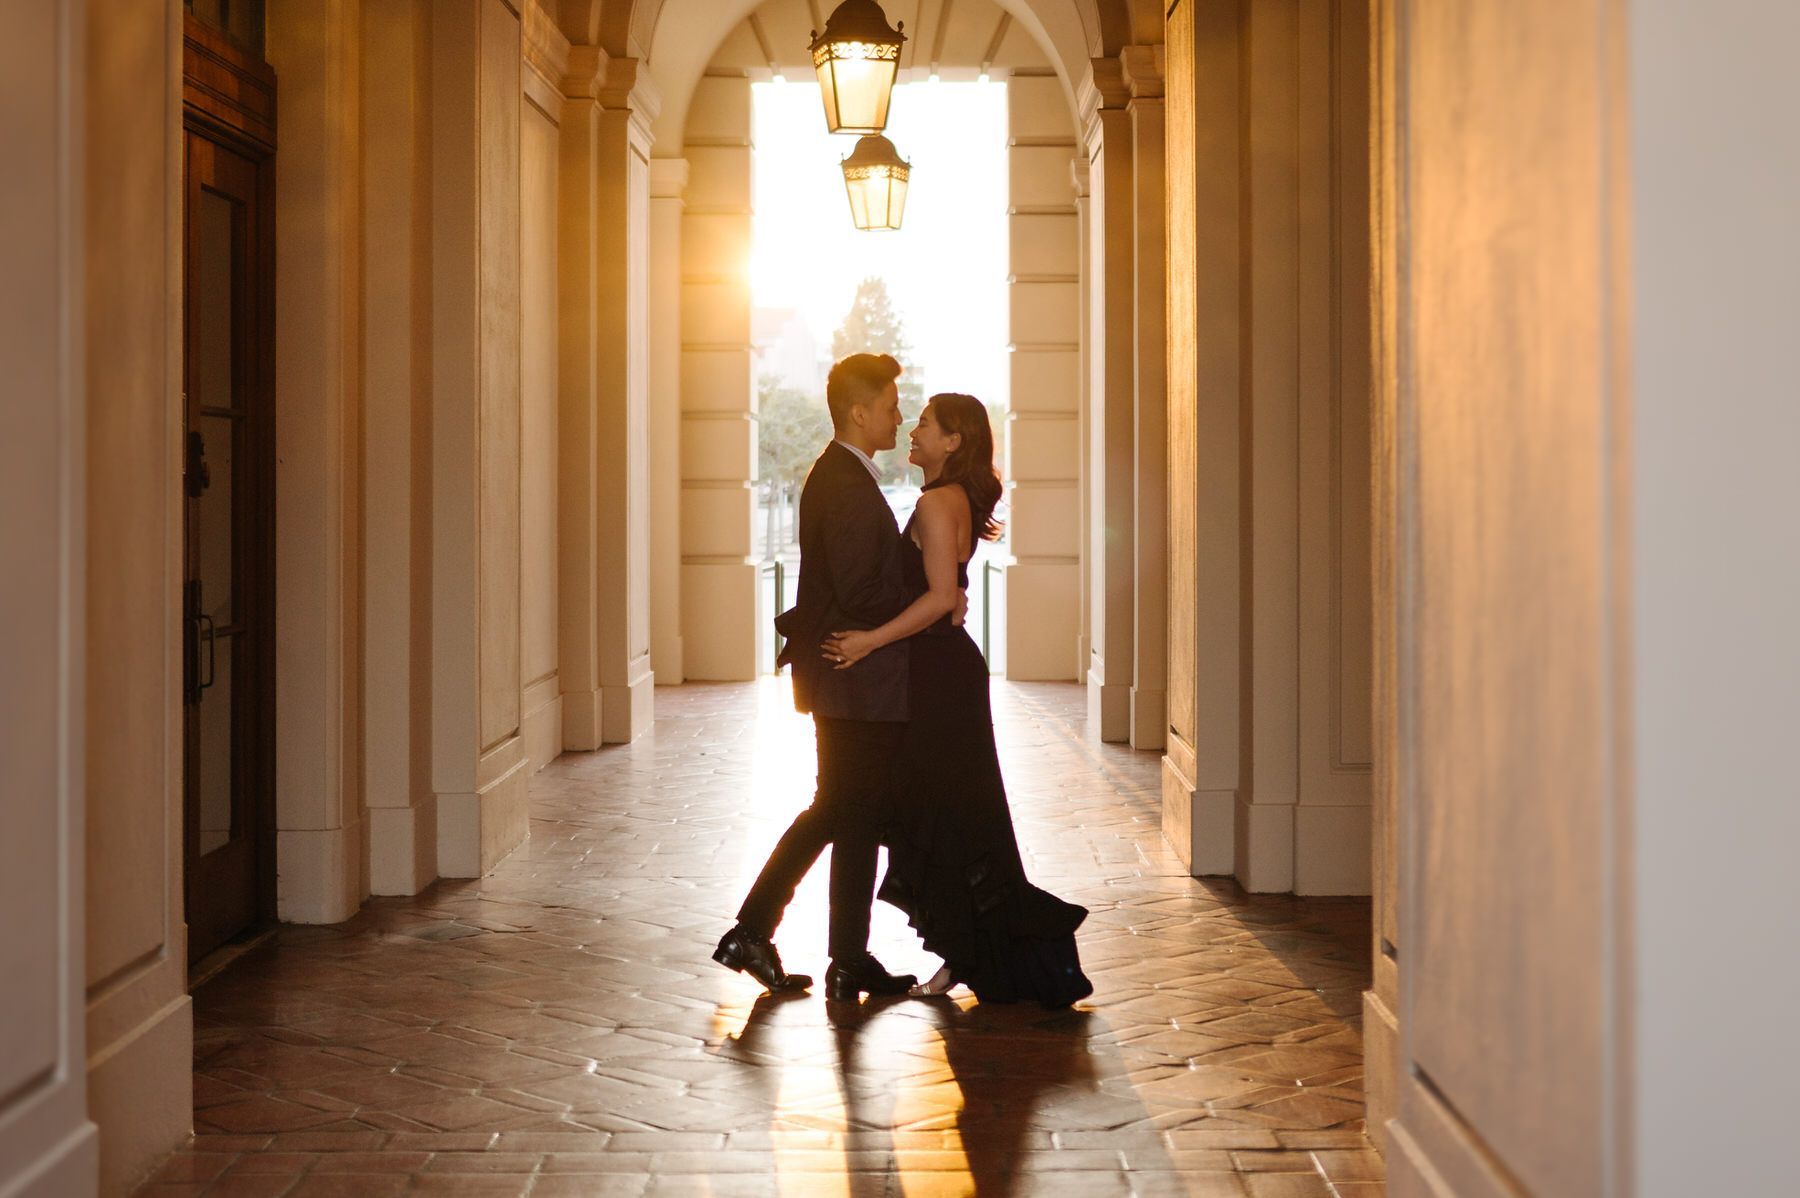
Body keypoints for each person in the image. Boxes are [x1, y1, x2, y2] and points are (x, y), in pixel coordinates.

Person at [823, 394, 1093, 1008]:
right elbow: (945, 592)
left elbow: (942, 597)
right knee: (952, 818)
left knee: (953, 819)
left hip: (939, 680)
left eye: (925, 424)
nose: (912, 431)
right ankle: (962, 957)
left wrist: (866, 641)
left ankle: (972, 956)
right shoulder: (946, 500)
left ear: (954, 443)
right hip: (939, 672)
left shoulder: (937, 502)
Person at [713, 353, 922, 1002]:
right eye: (890, 405)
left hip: (845, 677)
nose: (898, 415)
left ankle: (841, 957)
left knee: (850, 816)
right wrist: (922, 568)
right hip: (851, 677)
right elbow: (863, 592)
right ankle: (761, 932)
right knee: (839, 809)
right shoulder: (847, 485)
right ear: (860, 413)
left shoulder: (838, 476)